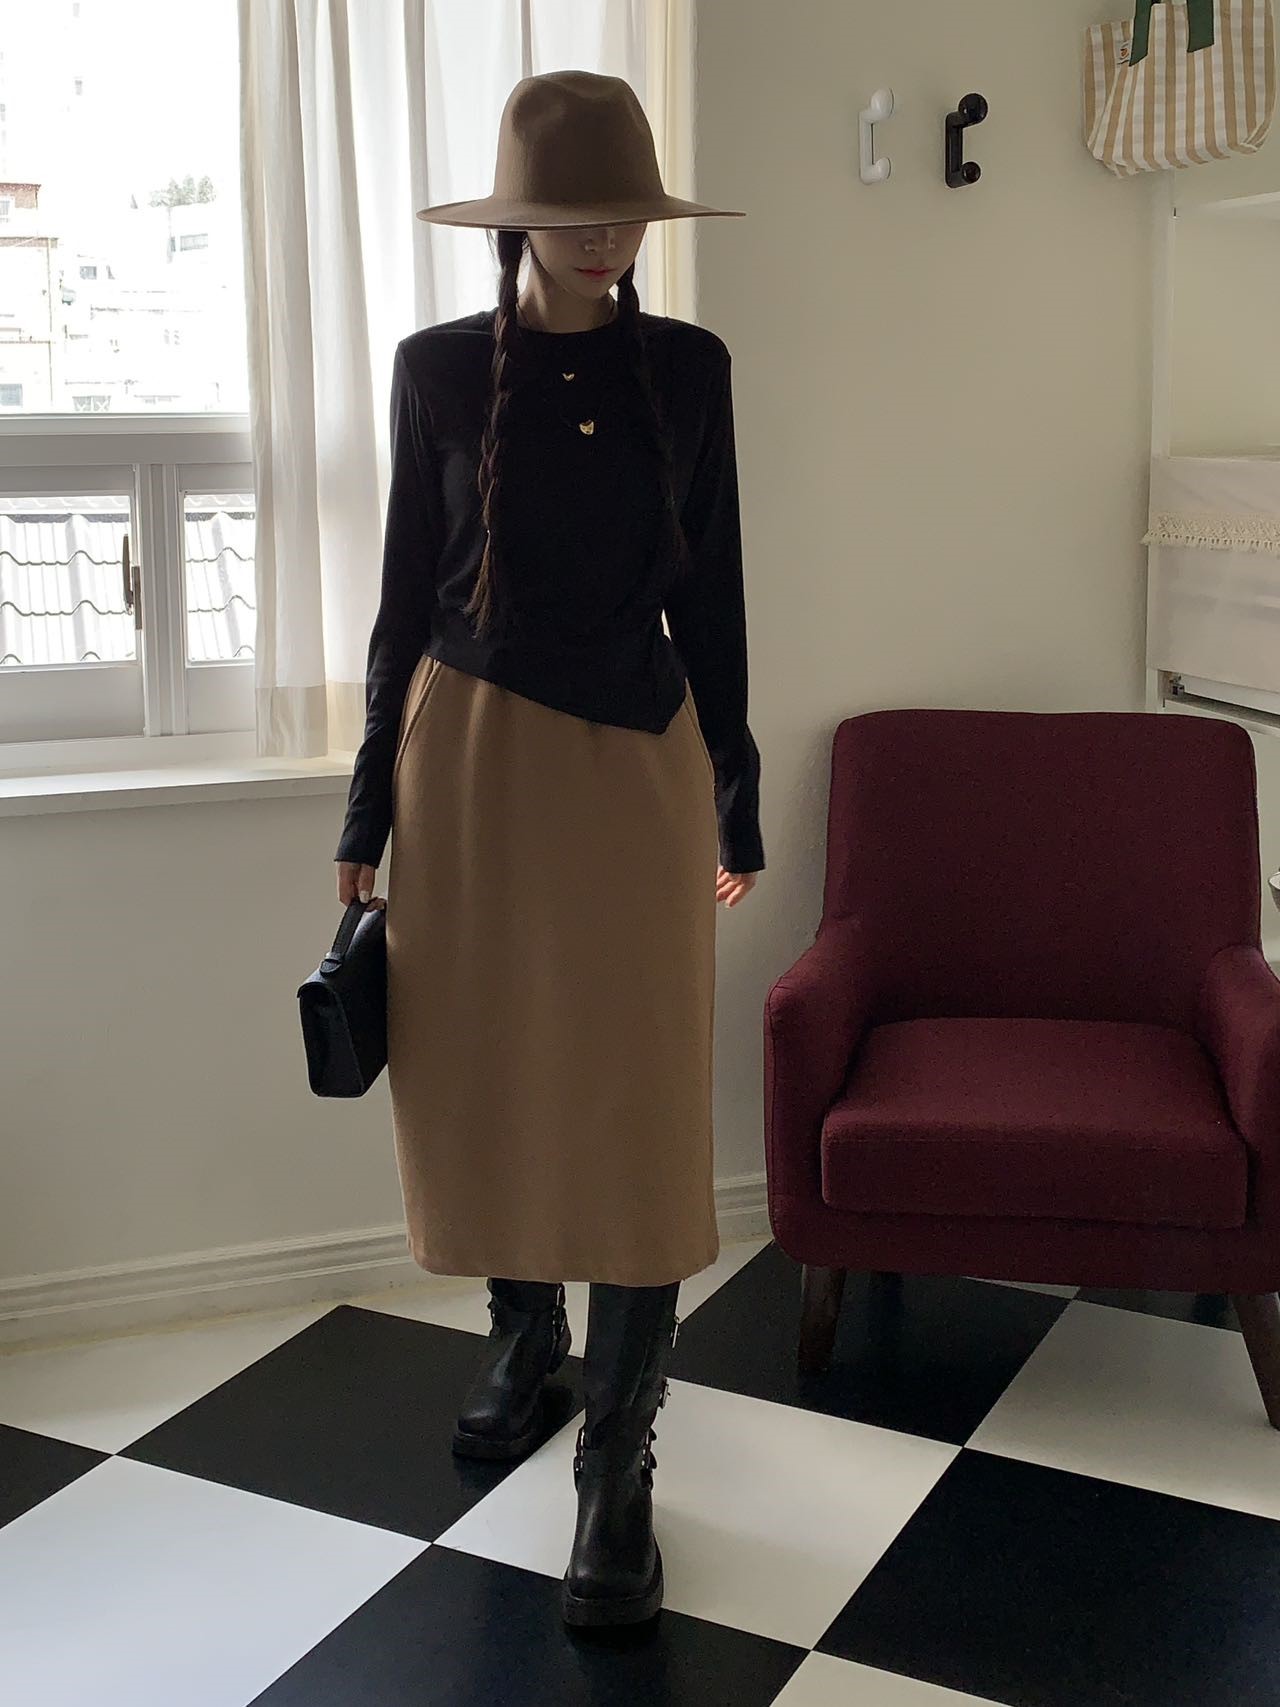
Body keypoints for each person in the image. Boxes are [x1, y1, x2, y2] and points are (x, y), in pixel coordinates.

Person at [333, 69, 764, 1628]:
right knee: (488, 1067)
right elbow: (402, 596)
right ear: (517, 217)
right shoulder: (439, 371)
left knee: (637, 1098)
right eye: (574, 210)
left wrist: (737, 781)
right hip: (468, 761)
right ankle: (526, 1338)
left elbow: (713, 590)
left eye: (626, 210)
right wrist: (366, 804)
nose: (605, 236)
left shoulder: (692, 369)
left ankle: (617, 1462)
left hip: (639, 757)